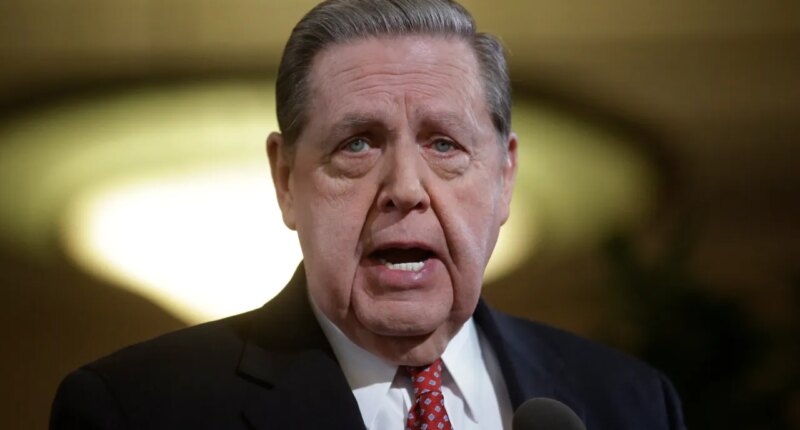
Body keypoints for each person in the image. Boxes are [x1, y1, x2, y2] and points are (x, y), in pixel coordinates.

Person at [50, 1, 686, 429]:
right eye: (358, 143)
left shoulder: (631, 404)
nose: (405, 188)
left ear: (504, 178)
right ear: (285, 180)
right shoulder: (135, 410)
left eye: (444, 144)